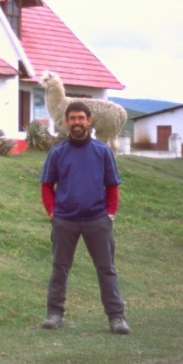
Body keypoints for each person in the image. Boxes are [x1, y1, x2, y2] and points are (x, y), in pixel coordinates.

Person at [39, 100, 130, 334]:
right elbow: (47, 185)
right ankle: (54, 313)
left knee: (106, 268)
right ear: (67, 122)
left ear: (89, 121)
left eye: (81, 118)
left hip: (97, 220)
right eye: (73, 118)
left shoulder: (103, 151)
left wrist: (109, 215)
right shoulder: (57, 152)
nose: (77, 122)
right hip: (65, 220)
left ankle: (116, 317)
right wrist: (52, 213)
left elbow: (112, 186)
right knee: (60, 267)